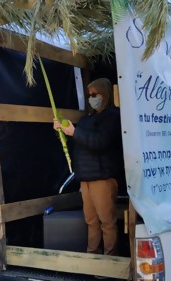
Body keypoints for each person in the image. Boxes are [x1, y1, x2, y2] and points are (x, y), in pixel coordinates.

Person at [53, 78, 123, 256]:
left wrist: (74, 132)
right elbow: (80, 142)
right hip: (85, 177)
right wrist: (64, 130)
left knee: (107, 222)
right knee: (91, 221)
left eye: (95, 94)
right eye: (89, 95)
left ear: (105, 94)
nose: (91, 98)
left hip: (103, 178)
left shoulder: (112, 117)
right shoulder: (87, 119)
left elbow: (99, 142)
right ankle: (92, 257)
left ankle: (110, 260)